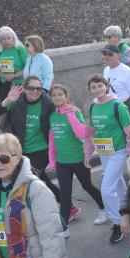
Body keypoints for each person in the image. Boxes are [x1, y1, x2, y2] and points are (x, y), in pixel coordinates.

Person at [0, 76, 62, 206]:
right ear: (24, 88)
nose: (35, 91)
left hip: (42, 150)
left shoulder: (47, 103)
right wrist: (7, 100)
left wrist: (72, 111)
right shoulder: (17, 101)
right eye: (31, 88)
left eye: (39, 88)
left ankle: (25, 207)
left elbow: (61, 111)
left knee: (23, 178)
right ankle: (67, 205)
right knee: (41, 180)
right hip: (22, 149)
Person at [46, 84, 104, 235]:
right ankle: (64, 227)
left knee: (87, 186)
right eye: (54, 95)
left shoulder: (74, 113)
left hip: (79, 159)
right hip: (62, 162)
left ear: (66, 96)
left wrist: (70, 115)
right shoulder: (52, 116)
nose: (57, 97)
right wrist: (52, 161)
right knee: (65, 193)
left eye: (60, 94)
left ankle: (105, 209)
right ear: (51, 98)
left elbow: (81, 134)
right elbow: (52, 141)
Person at [86, 73, 130, 244]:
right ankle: (127, 213)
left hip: (118, 152)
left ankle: (117, 223)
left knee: (106, 189)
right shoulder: (93, 107)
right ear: (90, 90)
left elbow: (129, 130)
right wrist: (88, 154)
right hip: (103, 152)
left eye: (100, 85)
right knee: (118, 184)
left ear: (106, 86)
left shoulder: (118, 106)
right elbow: (91, 132)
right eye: (94, 87)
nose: (97, 89)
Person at [101, 43, 130, 119]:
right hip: (112, 106)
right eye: (104, 54)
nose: (107, 57)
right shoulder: (106, 70)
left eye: (110, 54)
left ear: (119, 55)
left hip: (126, 106)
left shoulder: (127, 71)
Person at [0, 26, 28, 101]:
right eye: (3, 39)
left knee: (18, 107)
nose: (6, 41)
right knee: (5, 106)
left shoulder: (20, 49)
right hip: (5, 83)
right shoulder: (0, 52)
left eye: (8, 38)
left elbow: (30, 66)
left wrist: (14, 75)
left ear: (13, 37)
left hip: (20, 83)